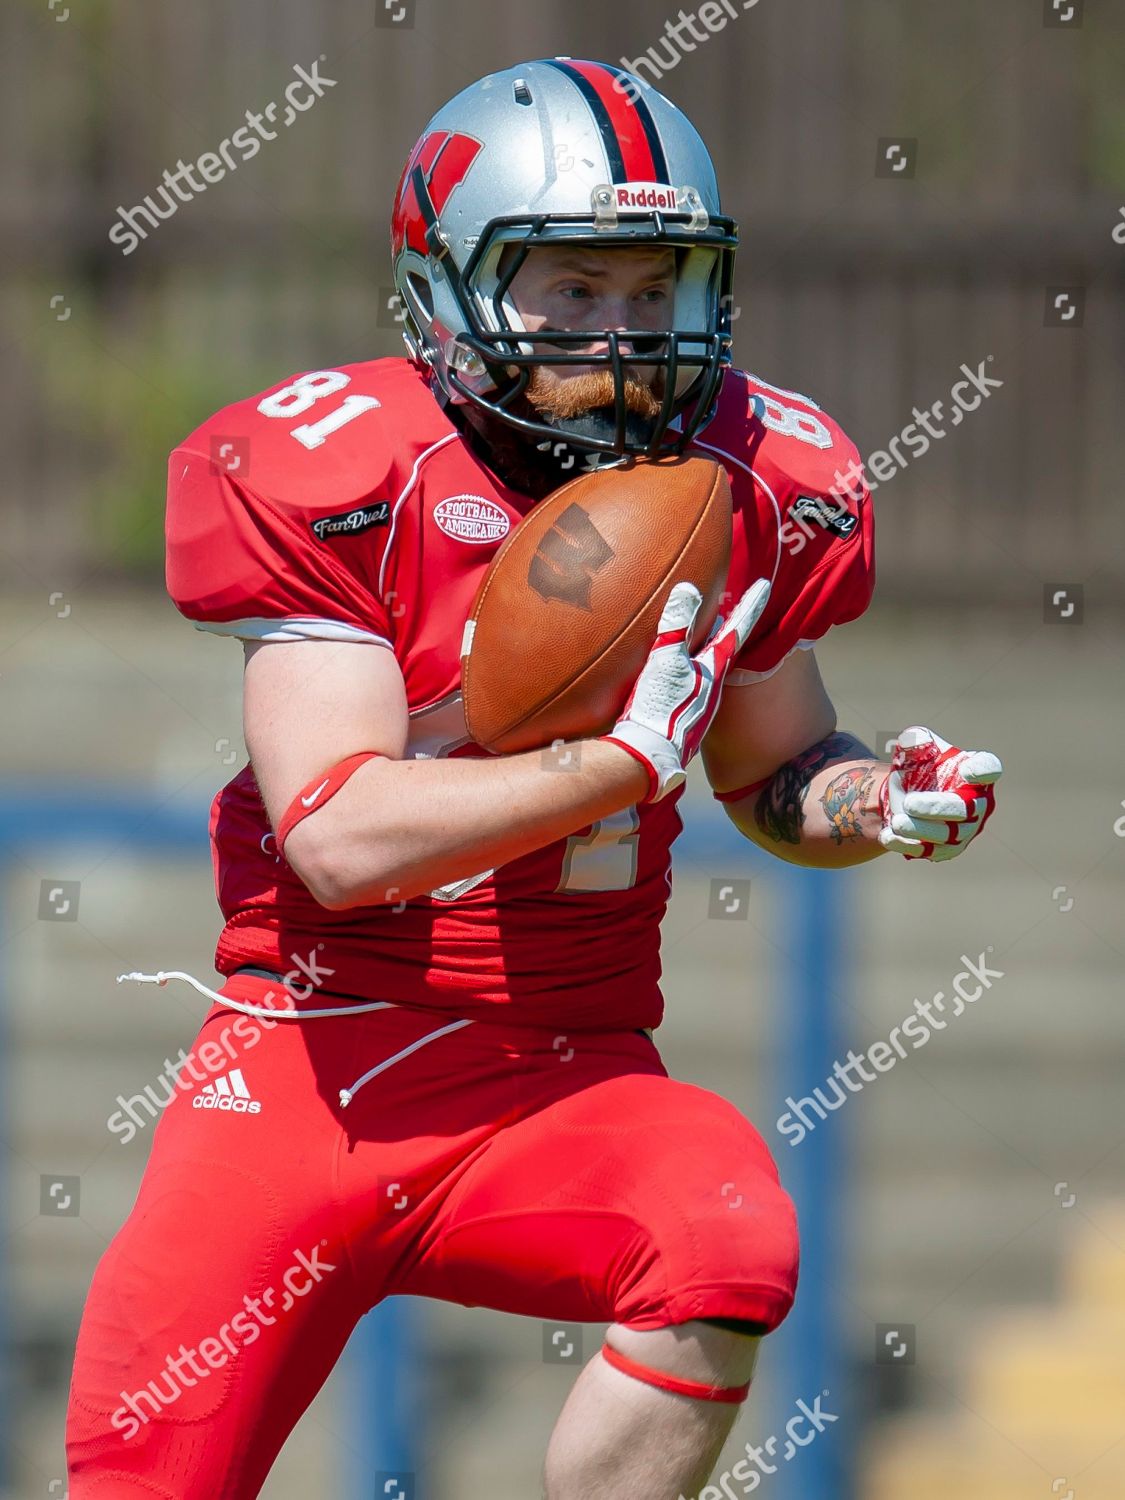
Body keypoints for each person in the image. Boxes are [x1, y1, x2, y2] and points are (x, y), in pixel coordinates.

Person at [66, 56, 1002, 1499]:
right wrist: (605, 766)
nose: (622, 337)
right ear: (446, 289)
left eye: (652, 290)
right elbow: (339, 839)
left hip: (564, 1074)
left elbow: (778, 772)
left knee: (726, 1236)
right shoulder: (348, 471)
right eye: (571, 292)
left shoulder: (737, 481)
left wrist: (876, 800)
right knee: (142, 1475)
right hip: (315, 1073)